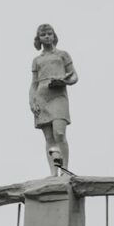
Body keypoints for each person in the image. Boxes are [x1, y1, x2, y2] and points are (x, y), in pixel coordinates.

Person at [29, 24, 78, 176]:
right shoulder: (37, 60)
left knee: (59, 133)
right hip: (42, 96)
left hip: (58, 95)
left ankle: (65, 169)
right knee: (49, 137)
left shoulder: (63, 55)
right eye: (44, 35)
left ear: (54, 35)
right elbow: (33, 83)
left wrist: (65, 81)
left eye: (50, 33)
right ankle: (53, 173)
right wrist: (32, 101)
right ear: (39, 38)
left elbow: (74, 76)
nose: (47, 37)